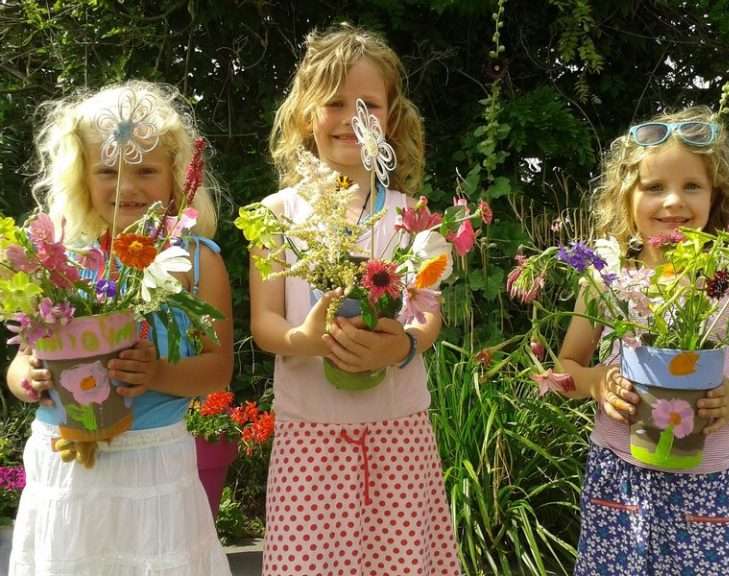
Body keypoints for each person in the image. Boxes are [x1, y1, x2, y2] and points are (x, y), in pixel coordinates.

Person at [251, 23, 461, 576]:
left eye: (368, 103)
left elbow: (427, 314)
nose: (351, 117)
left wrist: (400, 349)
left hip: (398, 430)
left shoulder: (410, 217)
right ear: (305, 116)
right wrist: (304, 339)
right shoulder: (276, 215)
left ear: (389, 118)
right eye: (334, 103)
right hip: (310, 434)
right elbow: (266, 324)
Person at [5, 80, 234, 576]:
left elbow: (217, 369)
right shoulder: (58, 260)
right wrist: (29, 379)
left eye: (146, 170)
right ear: (80, 178)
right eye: (107, 170)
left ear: (176, 178)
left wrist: (156, 373)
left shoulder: (196, 262)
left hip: (152, 462)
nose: (127, 187)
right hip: (64, 461)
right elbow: (22, 358)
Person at [558, 106, 729, 575]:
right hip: (621, 486)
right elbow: (565, 366)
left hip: (711, 489)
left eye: (691, 186)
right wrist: (595, 383)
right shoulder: (606, 275)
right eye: (654, 187)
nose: (673, 201)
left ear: (716, 197)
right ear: (625, 199)